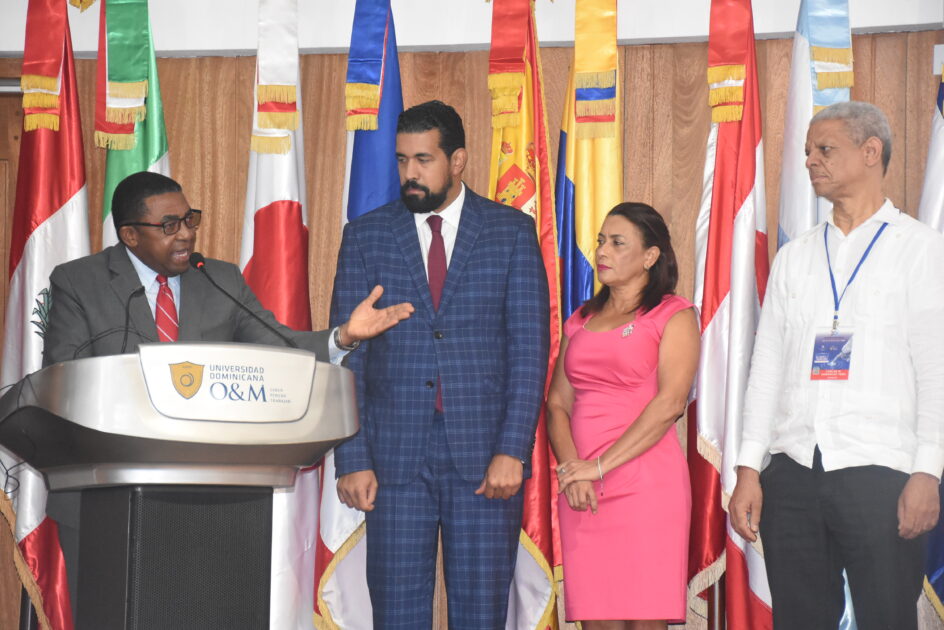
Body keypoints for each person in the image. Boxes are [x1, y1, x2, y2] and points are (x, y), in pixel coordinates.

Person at [330, 100, 549, 629]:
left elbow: (528, 351)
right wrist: (352, 456)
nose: (410, 173)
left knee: (480, 614)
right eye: (402, 160)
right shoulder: (366, 235)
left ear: (458, 161)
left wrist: (512, 450)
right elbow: (347, 357)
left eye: (423, 160)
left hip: (484, 456)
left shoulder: (509, 231)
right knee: (397, 615)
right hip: (393, 461)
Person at [729, 101, 944, 629]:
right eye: (807, 151)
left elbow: (936, 370)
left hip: (882, 470)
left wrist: (927, 473)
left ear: (871, 152)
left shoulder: (922, 250)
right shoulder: (795, 257)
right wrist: (749, 469)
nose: (810, 161)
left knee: (886, 618)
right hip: (793, 471)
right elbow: (767, 368)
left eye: (824, 149)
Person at [42, 171, 412, 365]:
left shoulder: (219, 279)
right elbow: (65, 378)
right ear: (130, 235)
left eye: (189, 220)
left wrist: (343, 336)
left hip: (205, 462)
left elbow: (281, 344)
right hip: (113, 465)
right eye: (169, 226)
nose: (187, 234)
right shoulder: (79, 283)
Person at [547, 202, 700, 629]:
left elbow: (670, 404)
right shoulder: (581, 319)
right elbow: (557, 404)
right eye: (601, 241)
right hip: (581, 489)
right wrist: (574, 471)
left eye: (617, 243)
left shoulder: (673, 314)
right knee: (596, 619)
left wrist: (596, 467)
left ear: (650, 256)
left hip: (645, 488)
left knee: (644, 619)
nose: (602, 251)